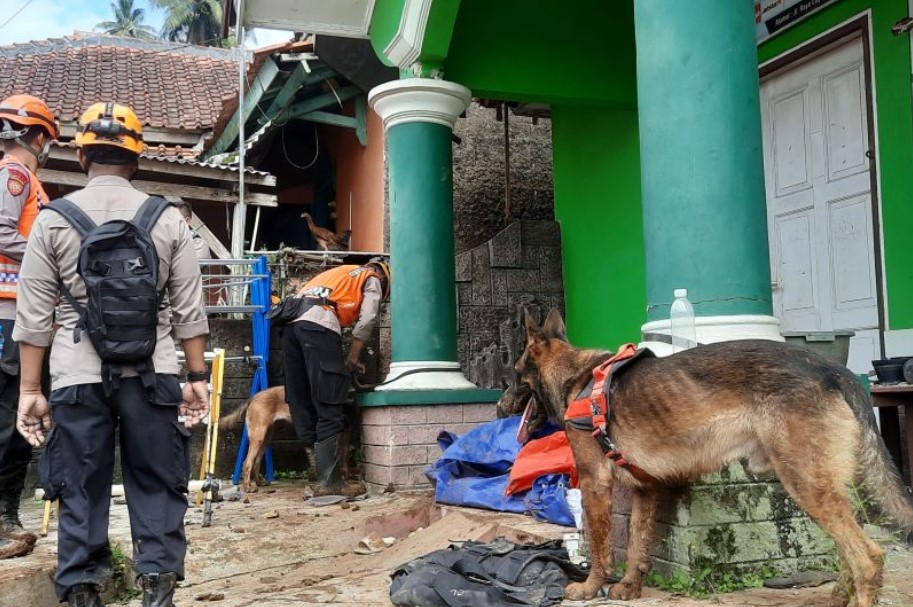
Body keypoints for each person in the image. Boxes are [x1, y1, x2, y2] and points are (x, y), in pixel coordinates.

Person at [14, 102, 210, 607]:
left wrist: (31, 391)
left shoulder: (54, 220)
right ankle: (158, 588)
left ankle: (82, 592)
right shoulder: (167, 218)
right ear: (137, 160)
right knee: (158, 482)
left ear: (82, 158)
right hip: (156, 371)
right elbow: (190, 310)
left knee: (80, 485)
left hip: (76, 374)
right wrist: (196, 377)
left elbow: (35, 318)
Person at [0, 94, 58, 560]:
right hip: (8, 314)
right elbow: (0, 232)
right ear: (39, 136)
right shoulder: (16, 174)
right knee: (6, 418)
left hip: (20, 312)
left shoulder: (23, 178)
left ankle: (6, 515)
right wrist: (51, 255)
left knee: (17, 419)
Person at [285, 259, 390, 496]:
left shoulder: (335, 274)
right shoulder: (371, 277)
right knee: (330, 399)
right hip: (319, 324)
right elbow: (368, 318)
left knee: (301, 398)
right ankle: (331, 482)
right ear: (383, 278)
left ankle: (320, 474)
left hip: (290, 327)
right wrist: (353, 355)